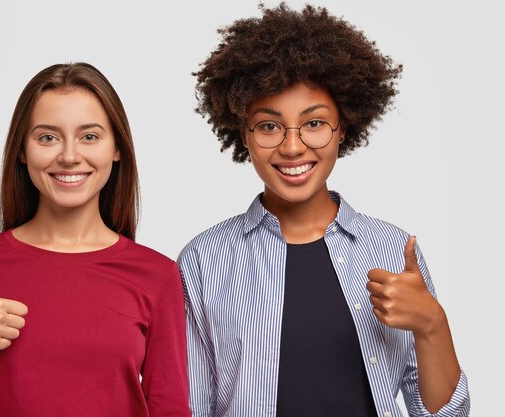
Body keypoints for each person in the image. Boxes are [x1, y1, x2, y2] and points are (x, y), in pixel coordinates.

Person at [177, 4, 469, 417]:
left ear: (343, 128)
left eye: (314, 123)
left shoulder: (390, 248)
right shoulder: (203, 261)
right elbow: (193, 407)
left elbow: (446, 415)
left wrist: (432, 325)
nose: (293, 146)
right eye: (269, 126)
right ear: (243, 133)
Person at [0, 63, 190, 417]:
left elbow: (171, 408)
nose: (69, 156)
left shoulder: (157, 275)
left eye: (89, 136)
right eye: (47, 137)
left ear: (117, 148)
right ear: (22, 152)